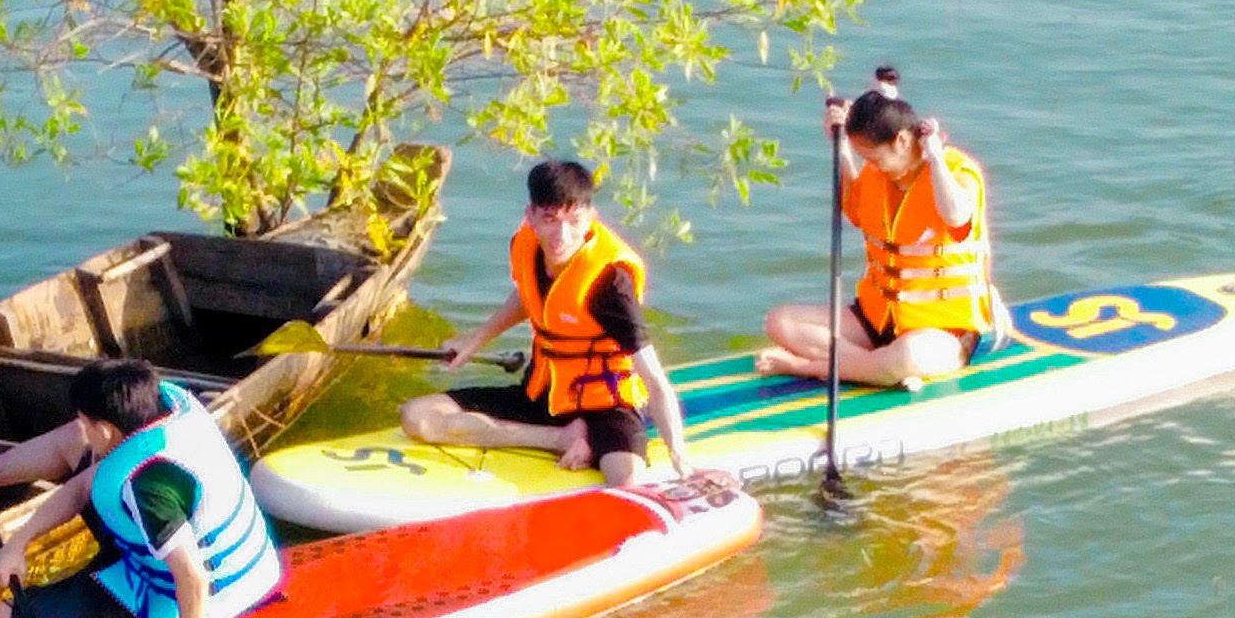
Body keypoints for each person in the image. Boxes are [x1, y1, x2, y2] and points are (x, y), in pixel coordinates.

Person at [0, 356, 282, 618]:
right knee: (89, 466)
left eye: (85, 424)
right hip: (232, 561)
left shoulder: (146, 484)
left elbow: (192, 577)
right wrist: (17, 544)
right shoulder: (171, 402)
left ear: (108, 429)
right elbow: (80, 490)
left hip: (192, 597)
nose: (81, 430)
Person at [402, 160, 689, 484]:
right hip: (543, 393)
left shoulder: (610, 282)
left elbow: (653, 377)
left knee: (627, 479)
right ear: (531, 216)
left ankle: (588, 442)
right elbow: (530, 295)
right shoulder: (526, 246)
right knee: (418, 416)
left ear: (590, 218)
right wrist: (477, 338)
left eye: (573, 221)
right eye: (550, 220)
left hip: (605, 405)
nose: (561, 235)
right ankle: (561, 439)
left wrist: (680, 459)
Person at [752, 88, 1008, 390]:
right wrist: (841, 146)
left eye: (873, 157)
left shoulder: (957, 171)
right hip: (877, 319)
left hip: (941, 330)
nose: (869, 166)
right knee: (780, 322)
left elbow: (956, 218)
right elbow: (855, 210)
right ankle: (877, 369)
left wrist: (936, 159)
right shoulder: (878, 174)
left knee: (908, 354)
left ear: (901, 140)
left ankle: (813, 367)